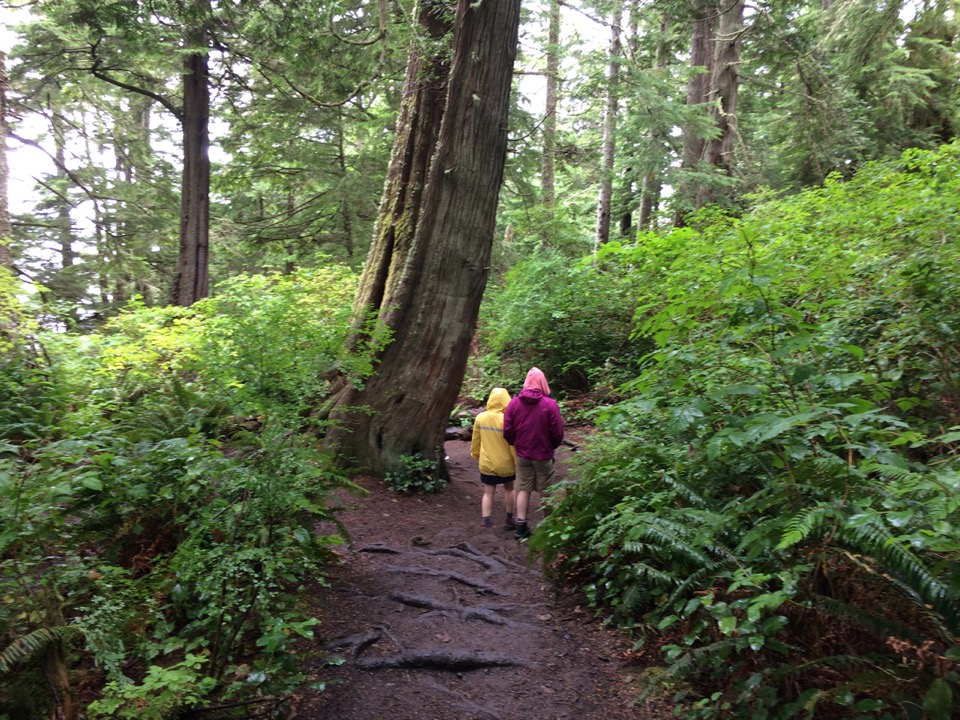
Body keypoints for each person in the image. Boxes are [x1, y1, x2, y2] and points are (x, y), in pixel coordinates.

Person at [503, 367, 564, 540]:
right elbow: (558, 432)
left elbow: (507, 430)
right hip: (543, 454)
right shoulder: (549, 404)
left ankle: (520, 526)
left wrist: (516, 443)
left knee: (523, 488)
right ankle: (550, 525)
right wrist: (551, 446)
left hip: (522, 454)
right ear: (542, 382)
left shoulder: (514, 403)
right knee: (546, 490)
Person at [470, 387, 517, 529]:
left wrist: (475, 453)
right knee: (509, 489)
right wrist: (517, 461)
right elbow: (512, 444)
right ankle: (509, 518)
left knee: (488, 491)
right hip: (506, 464)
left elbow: (476, 440)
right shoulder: (508, 420)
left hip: (487, 463)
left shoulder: (480, 418)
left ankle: (486, 520)